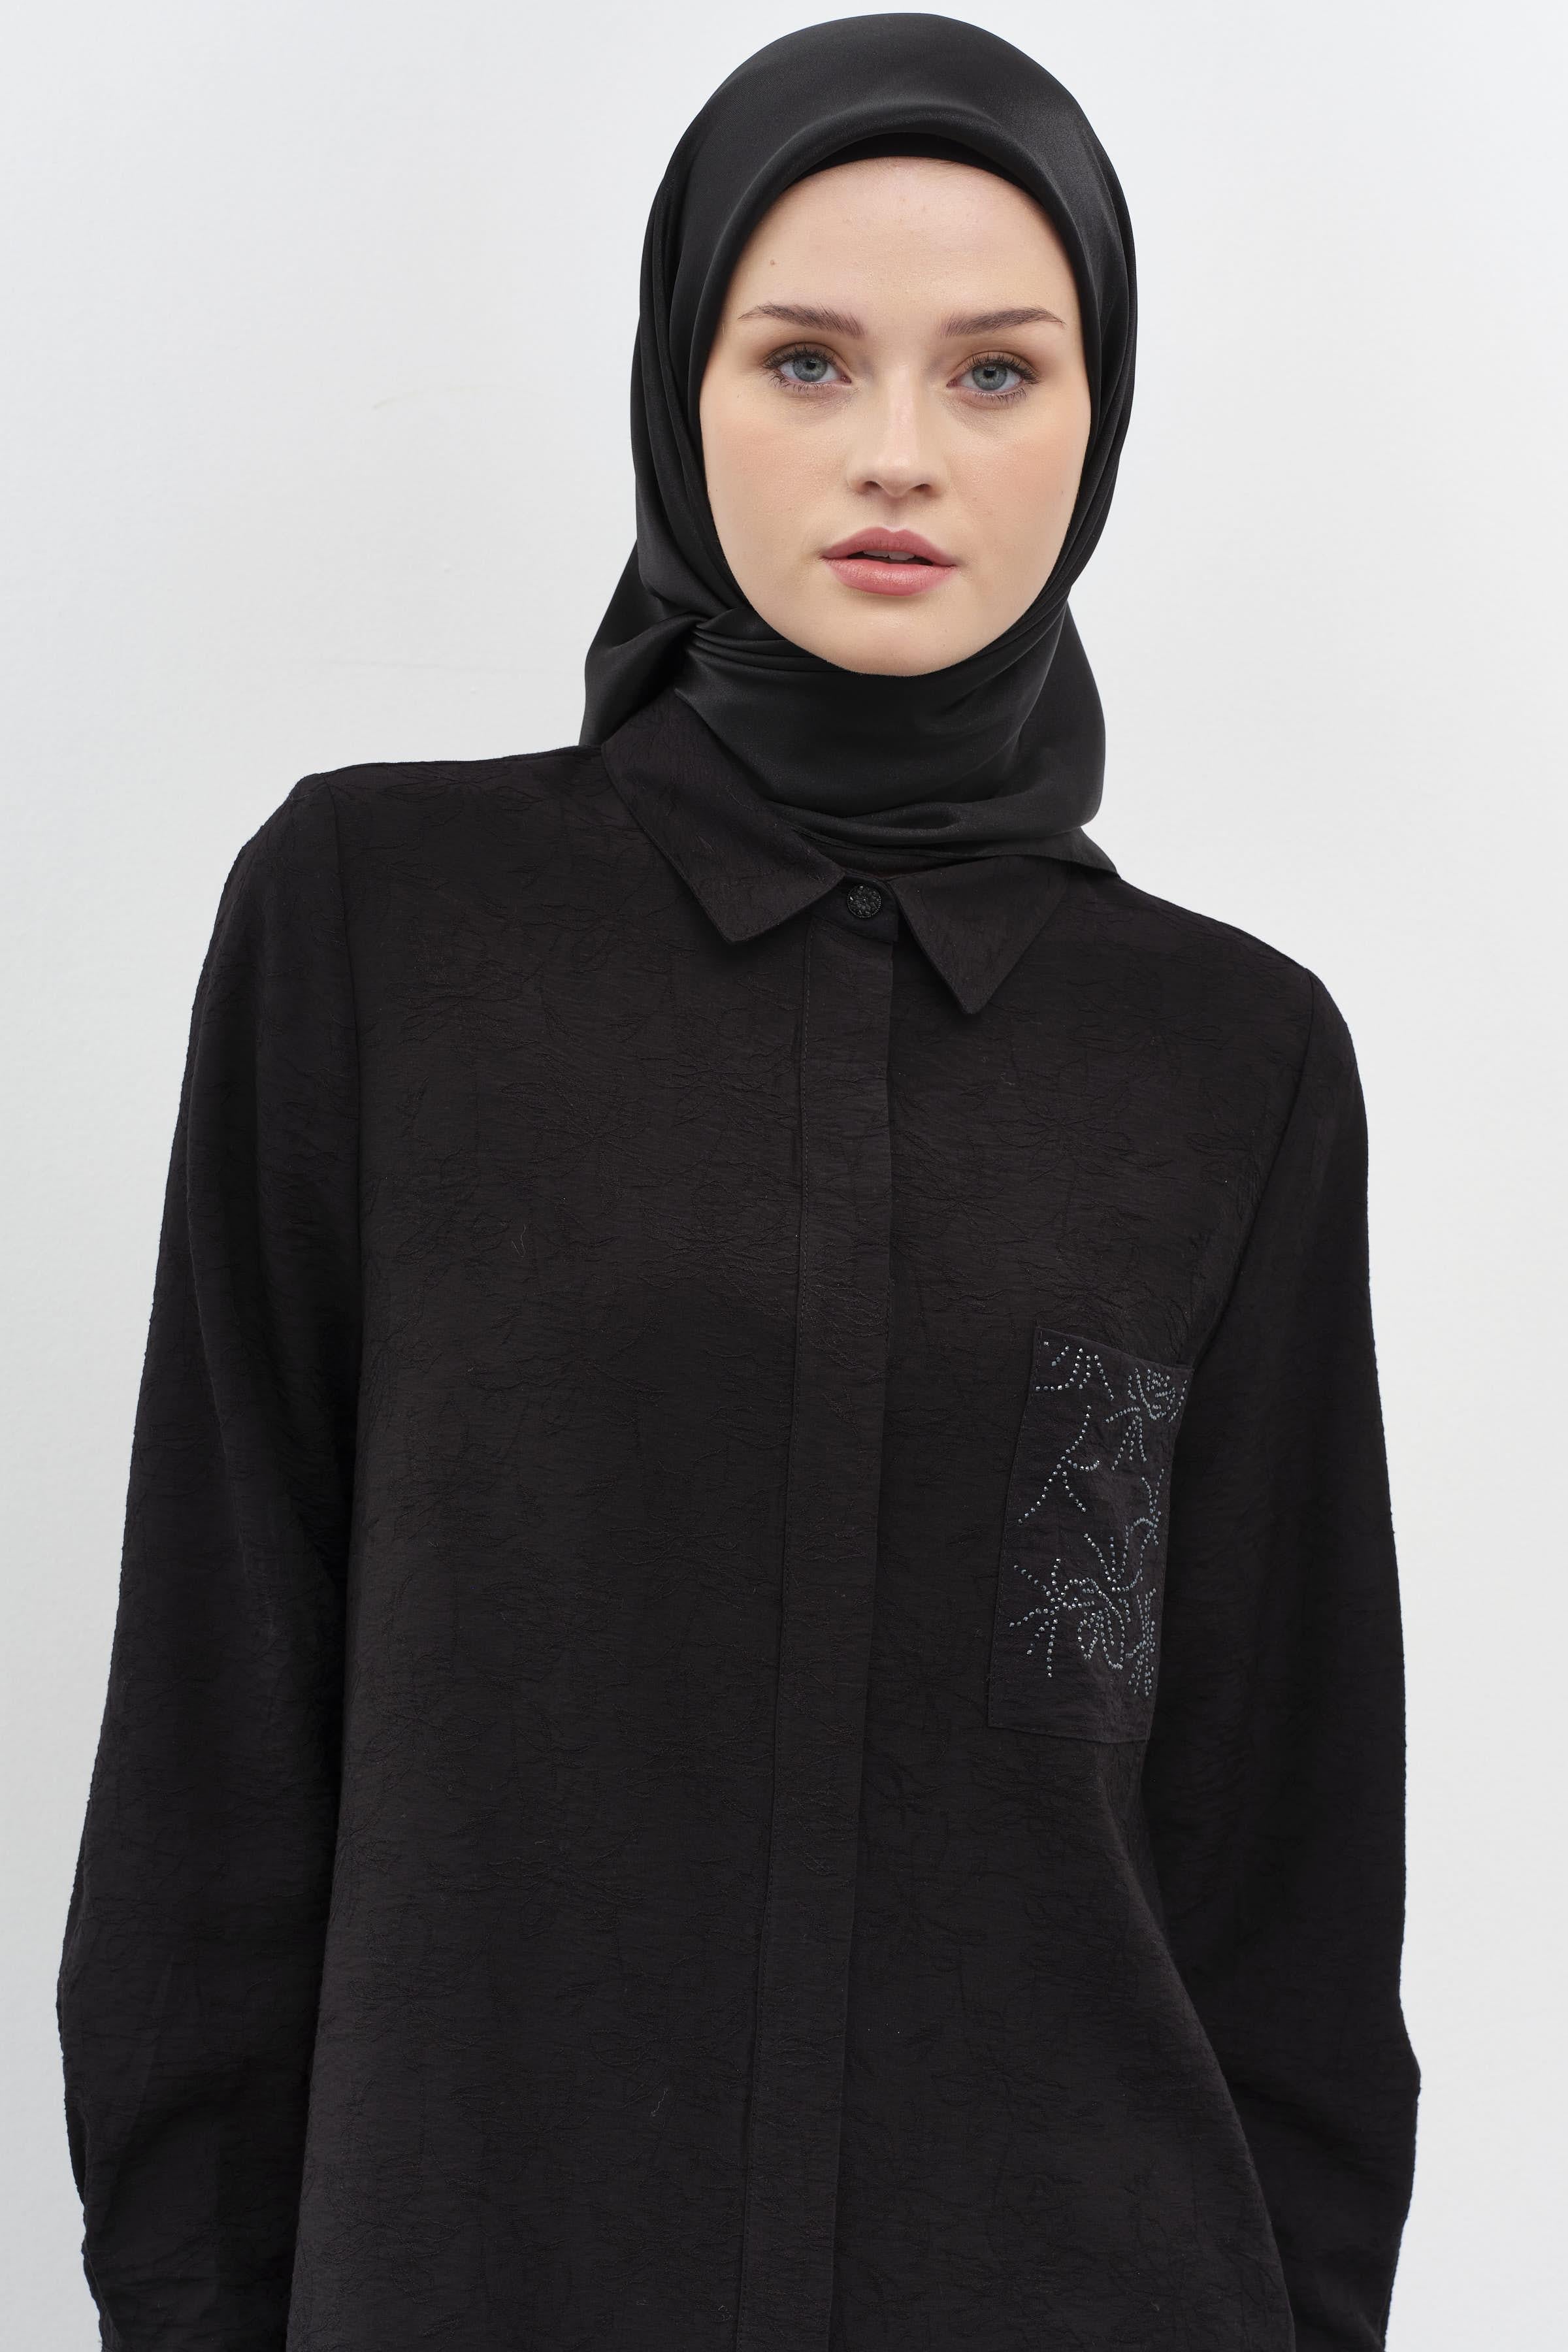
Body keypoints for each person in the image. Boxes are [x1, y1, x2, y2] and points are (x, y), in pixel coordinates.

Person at [57, 16, 1419, 2351]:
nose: (899, 451)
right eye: (806, 360)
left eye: (996, 373)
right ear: (678, 391)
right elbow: (216, 1734)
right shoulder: (380, 930)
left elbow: (1283, 1852)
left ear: (1096, 425)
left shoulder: (1231, 1059)